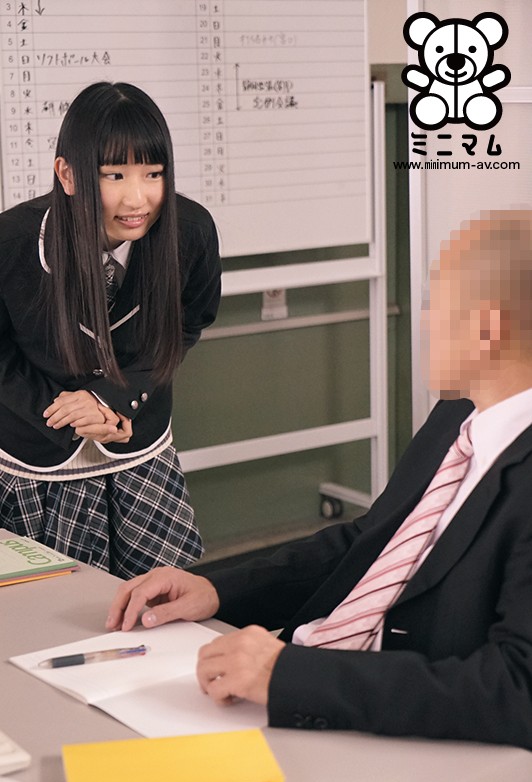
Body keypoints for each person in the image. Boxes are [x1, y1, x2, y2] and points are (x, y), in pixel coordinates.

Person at [106, 210, 532, 748]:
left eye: (436, 303)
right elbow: (368, 543)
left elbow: (518, 690)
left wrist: (290, 677)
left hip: (386, 732)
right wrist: (217, 590)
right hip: (303, 685)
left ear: (486, 329)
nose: (423, 322)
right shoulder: (459, 414)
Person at [0, 82, 221, 579]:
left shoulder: (191, 230)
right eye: (114, 175)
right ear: (68, 174)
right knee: (48, 608)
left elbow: (190, 320)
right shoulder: (10, 241)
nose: (137, 198)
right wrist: (68, 414)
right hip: (35, 456)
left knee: (158, 601)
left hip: (138, 450)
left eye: (153, 173)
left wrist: (114, 399)